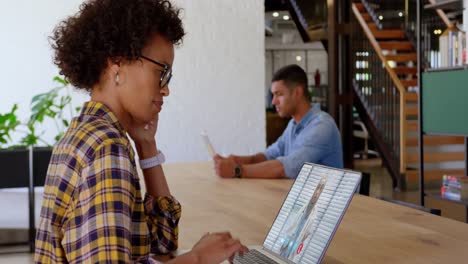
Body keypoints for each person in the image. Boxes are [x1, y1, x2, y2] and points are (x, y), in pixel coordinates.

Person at [34, 0, 247, 263]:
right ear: (117, 65)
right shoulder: (105, 147)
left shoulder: (89, 131)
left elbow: (160, 240)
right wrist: (198, 258)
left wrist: (146, 147)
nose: (166, 88)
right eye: (161, 72)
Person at [214, 65, 343, 179]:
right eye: (273, 95)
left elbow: (286, 168)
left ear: (298, 92)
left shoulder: (322, 126)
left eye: (279, 94)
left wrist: (237, 170)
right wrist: (236, 160)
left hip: (325, 203)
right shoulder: (293, 125)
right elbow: (268, 156)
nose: (273, 102)